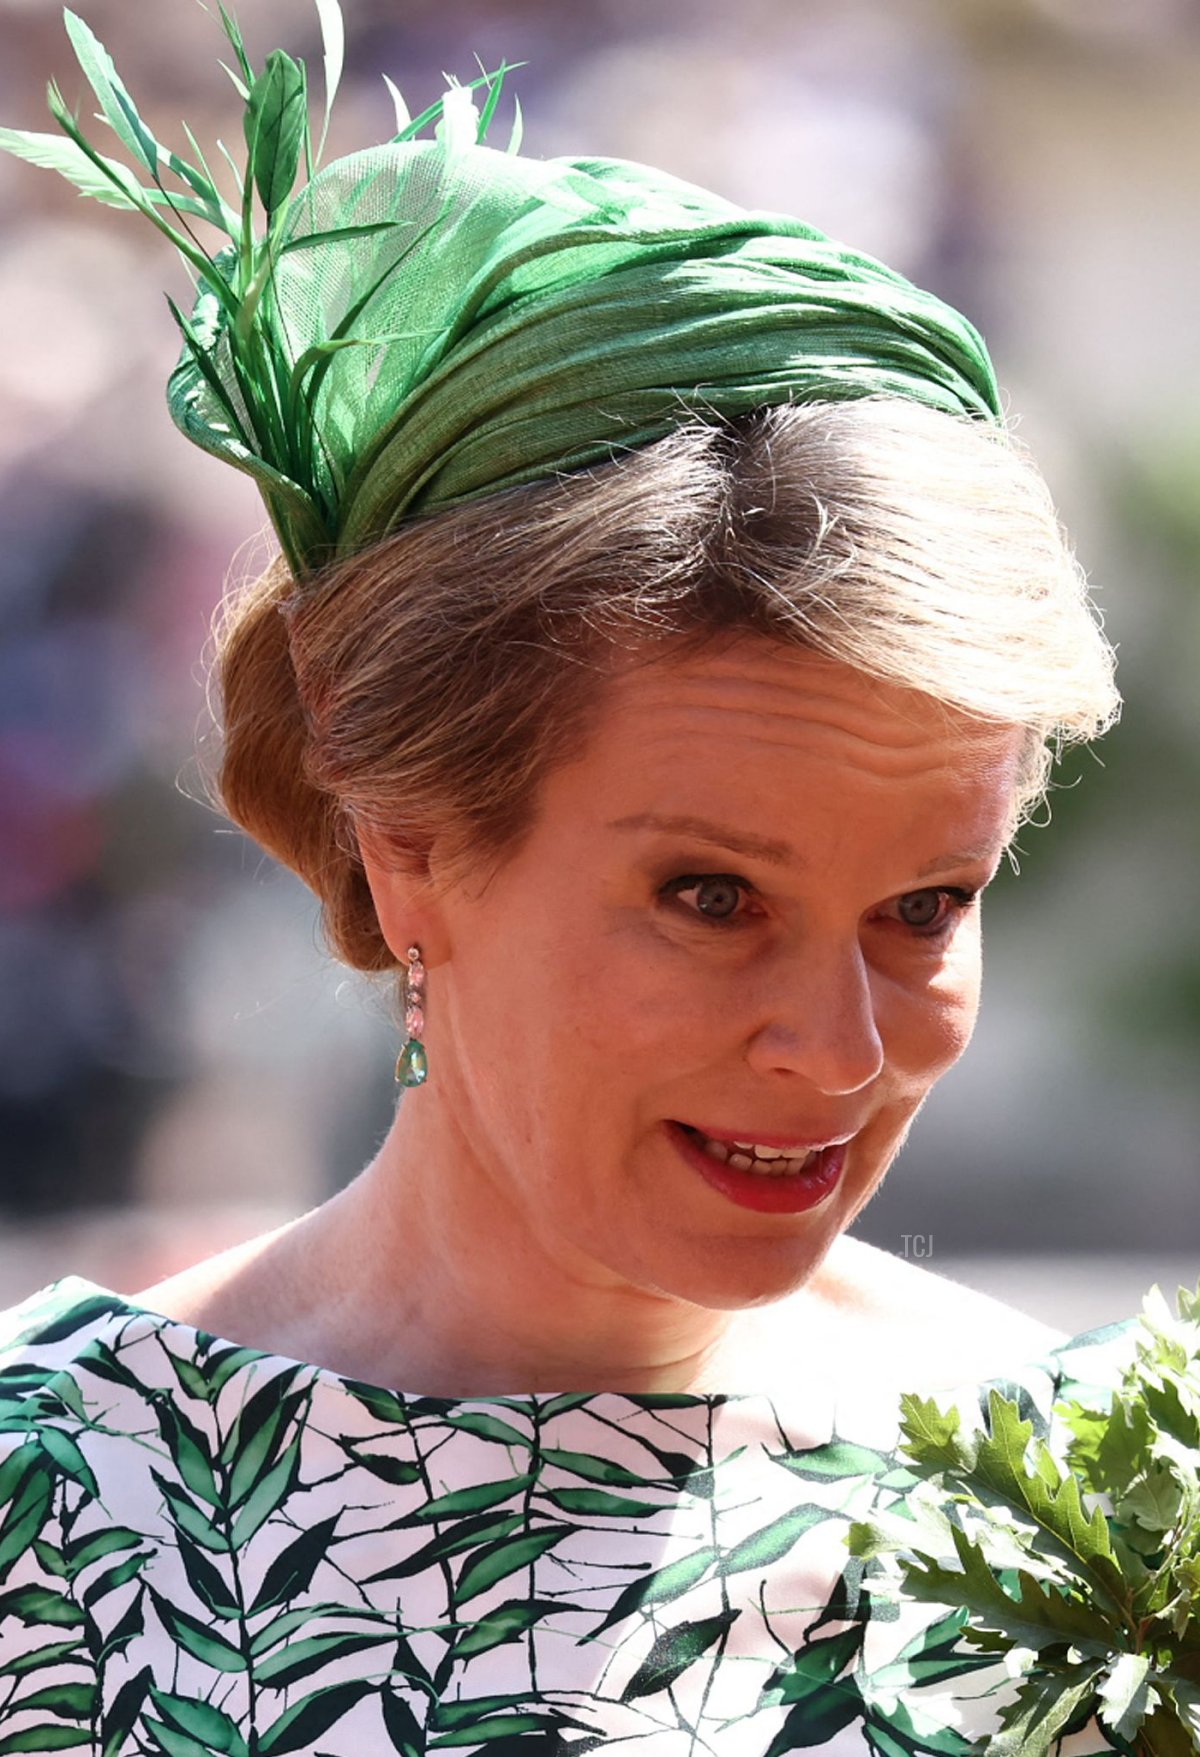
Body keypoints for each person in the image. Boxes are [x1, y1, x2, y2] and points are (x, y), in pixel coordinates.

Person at [0, 9, 1138, 1754]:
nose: (839, 1052)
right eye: (712, 897)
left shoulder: (1117, 1514)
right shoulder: (52, 1505)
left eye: (925, 907)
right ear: (411, 841)